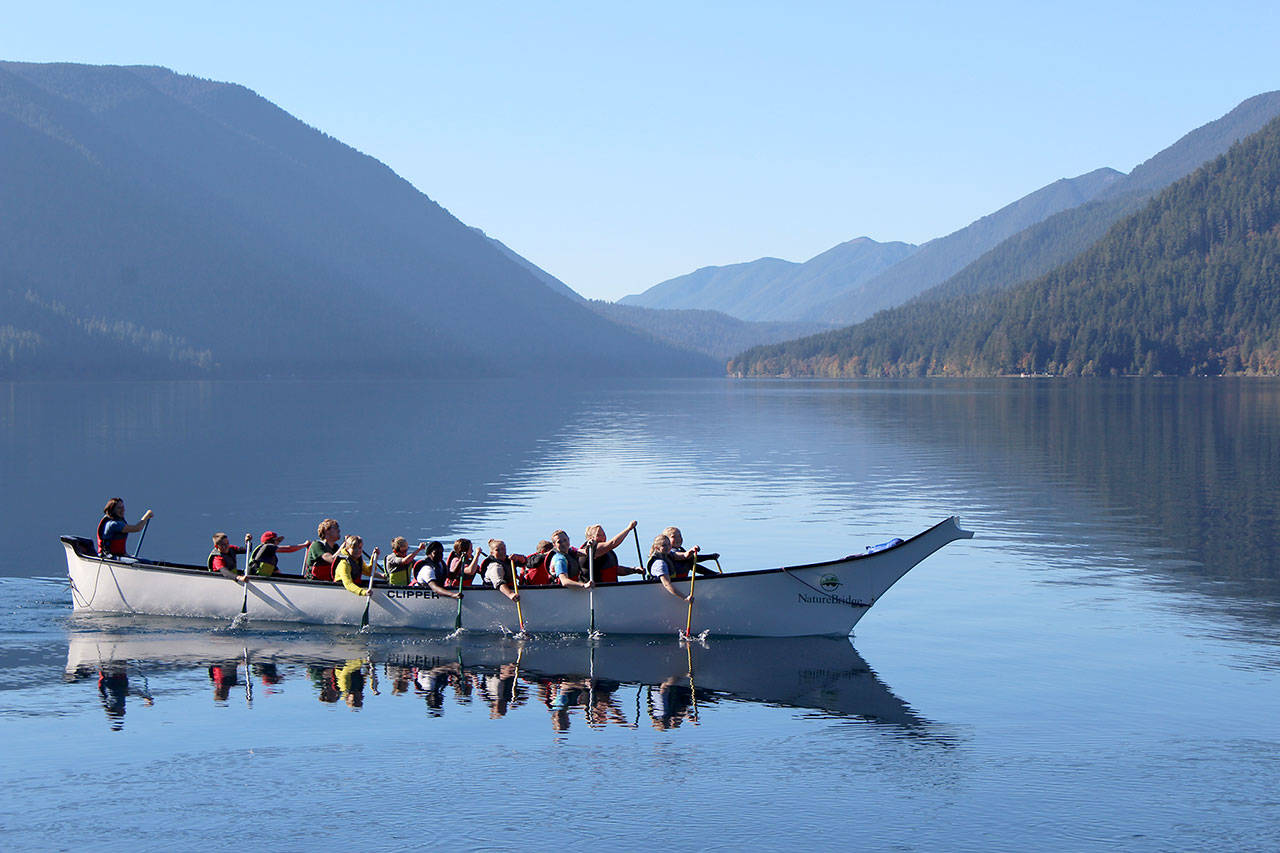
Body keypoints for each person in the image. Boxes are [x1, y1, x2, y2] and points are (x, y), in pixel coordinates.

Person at [647, 534, 694, 602]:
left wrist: (692, 551)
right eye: (664, 545)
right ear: (657, 548)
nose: (668, 547)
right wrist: (684, 597)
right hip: (660, 596)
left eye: (669, 544)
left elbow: (684, 556)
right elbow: (667, 584)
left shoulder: (669, 554)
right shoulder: (660, 564)